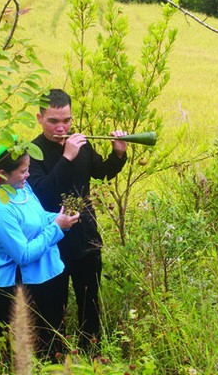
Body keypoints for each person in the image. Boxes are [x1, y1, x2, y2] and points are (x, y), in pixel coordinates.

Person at [27, 89, 128, 356]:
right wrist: (66, 157)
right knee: (51, 305)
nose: (61, 128)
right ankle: (52, 359)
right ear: (39, 118)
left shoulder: (80, 144)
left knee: (90, 302)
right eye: (53, 121)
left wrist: (117, 155)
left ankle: (92, 354)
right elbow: (42, 193)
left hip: (85, 237)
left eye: (66, 120)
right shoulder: (32, 153)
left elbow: (102, 172)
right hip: (51, 240)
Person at [0, 144, 80, 362]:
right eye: (23, 171)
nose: (28, 174)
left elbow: (38, 217)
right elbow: (23, 255)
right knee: (24, 354)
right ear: (3, 174)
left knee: (52, 346)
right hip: (23, 287)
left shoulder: (22, 189)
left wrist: (59, 217)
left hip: (48, 277)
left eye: (28, 168)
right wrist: (57, 227)